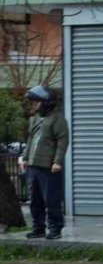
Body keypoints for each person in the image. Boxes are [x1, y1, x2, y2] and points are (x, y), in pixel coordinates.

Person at [21, 85, 69, 240]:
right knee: (34, 199)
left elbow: (62, 141)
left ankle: (55, 228)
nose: (35, 105)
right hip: (34, 166)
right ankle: (38, 227)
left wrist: (57, 162)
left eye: (37, 102)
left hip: (49, 167)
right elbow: (30, 140)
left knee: (51, 199)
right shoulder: (35, 119)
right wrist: (25, 158)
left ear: (46, 102)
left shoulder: (57, 119)